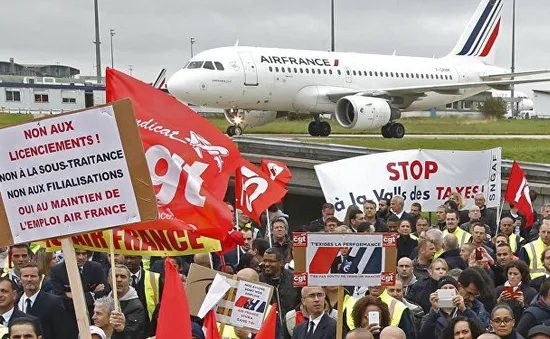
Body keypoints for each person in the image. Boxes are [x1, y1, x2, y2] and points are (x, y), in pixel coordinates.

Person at [17, 263, 68, 339]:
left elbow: (61, 332)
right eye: (25, 276)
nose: (29, 279)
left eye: (33, 276)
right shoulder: (14, 302)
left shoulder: (54, 302)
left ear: (40, 278)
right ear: (20, 279)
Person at [260, 248, 299, 322]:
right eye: (265, 261)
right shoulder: (259, 280)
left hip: (292, 324)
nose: (267, 264)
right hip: (269, 325)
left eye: (271, 261)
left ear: (281, 263)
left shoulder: (294, 278)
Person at [108, 265, 146, 339]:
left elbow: (135, 335)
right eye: (115, 276)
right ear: (109, 280)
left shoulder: (136, 307)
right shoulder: (102, 301)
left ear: (130, 281)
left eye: (123, 277)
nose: (119, 280)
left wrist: (121, 330)